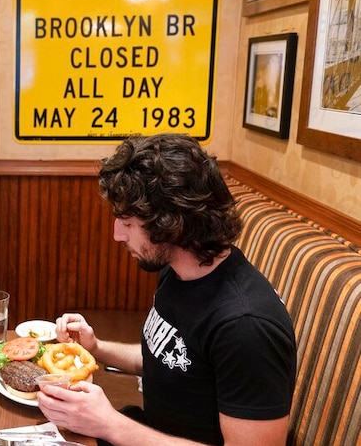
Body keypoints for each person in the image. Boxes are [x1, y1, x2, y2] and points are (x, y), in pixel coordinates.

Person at [38, 134, 296, 446]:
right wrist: (96, 348)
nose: (117, 234)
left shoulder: (246, 327)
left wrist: (110, 424)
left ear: (172, 223)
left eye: (128, 222)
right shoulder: (178, 269)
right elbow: (171, 361)